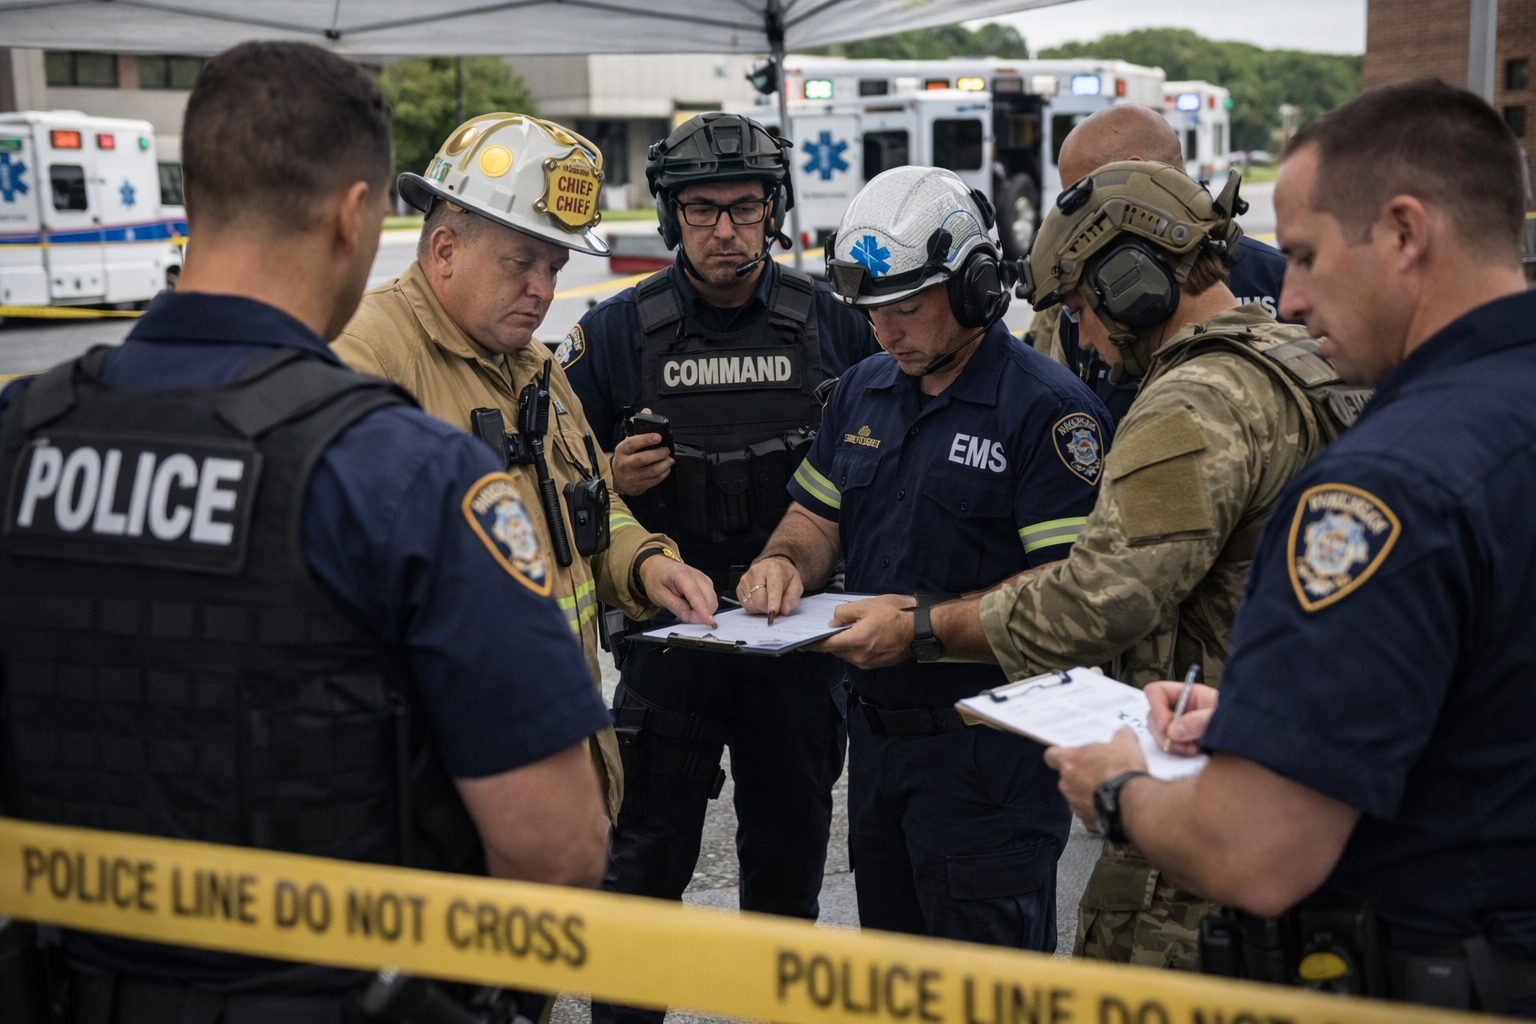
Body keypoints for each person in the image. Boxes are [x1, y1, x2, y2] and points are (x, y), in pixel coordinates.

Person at [0, 43, 610, 1019]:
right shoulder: (405, 470)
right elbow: (558, 844)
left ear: (196, 197)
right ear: (352, 213)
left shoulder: (22, 433)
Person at [1046, 81, 1536, 1015]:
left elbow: (1259, 853)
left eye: (1306, 256)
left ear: (1404, 232)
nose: (1293, 296)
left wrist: (1119, 789)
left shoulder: (1382, 484)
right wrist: (1264, 718)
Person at [820, 156, 1358, 968]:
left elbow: (1098, 598)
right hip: (1292, 759)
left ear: (1134, 283)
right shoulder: (1296, 364)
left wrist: (924, 627)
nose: (1086, 334)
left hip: (1205, 782)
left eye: (1079, 304)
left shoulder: (1192, 402)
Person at [736, 165, 1111, 950]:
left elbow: (1069, 593)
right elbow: (815, 518)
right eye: (872, 312)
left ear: (976, 286)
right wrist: (782, 562)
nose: (886, 332)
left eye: (906, 308)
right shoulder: (862, 390)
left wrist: (922, 629)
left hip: (988, 765)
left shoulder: (1049, 412)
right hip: (877, 754)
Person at [560, 112, 876, 1024]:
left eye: (745, 208)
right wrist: (609, 478)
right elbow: (552, 481)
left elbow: (886, 461)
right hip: (671, 644)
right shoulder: (616, 332)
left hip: (797, 651)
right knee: (645, 870)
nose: (727, 229)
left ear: (774, 210)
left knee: (786, 875)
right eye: (703, 210)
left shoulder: (836, 325)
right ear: (671, 216)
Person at [333, 113, 721, 824]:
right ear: (445, 248)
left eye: (555, 268)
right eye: (522, 263)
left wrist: (647, 566)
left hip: (554, 762)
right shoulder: (367, 360)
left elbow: (587, 503)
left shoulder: (534, 365)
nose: (542, 289)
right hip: (452, 793)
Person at [1035, 105, 1290, 423]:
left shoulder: (1284, 282)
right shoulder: (1079, 312)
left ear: (1134, 173)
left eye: (1080, 199)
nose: (1071, 225)